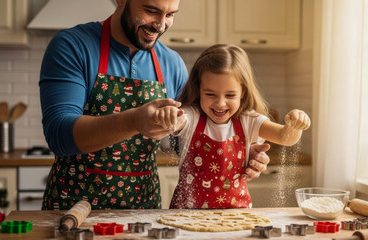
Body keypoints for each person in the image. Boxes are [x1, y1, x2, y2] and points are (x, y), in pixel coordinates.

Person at [39, 0, 270, 210]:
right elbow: (59, 135)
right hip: (74, 210)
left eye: (170, 14)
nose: (161, 25)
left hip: (144, 211)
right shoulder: (72, 46)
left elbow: (193, 141)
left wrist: (239, 153)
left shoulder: (171, 64)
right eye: (151, 11)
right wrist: (133, 121)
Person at [154, 44, 311, 209]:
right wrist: (169, 117)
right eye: (210, 94)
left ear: (242, 91)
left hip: (236, 214)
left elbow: (284, 138)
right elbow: (178, 120)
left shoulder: (249, 121)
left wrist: (295, 126)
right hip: (186, 214)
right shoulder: (192, 117)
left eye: (230, 95)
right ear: (198, 89)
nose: (220, 103)